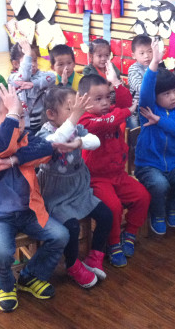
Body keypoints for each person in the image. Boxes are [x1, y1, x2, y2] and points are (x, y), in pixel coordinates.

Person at [0, 84, 68, 313]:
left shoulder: (26, 138)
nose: (19, 124)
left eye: (21, 117)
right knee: (0, 253)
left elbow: (47, 150)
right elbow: (2, 146)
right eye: (12, 117)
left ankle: (29, 277)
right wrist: (14, 114)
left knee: (60, 236)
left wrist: (14, 160)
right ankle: (7, 285)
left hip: (28, 212)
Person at [36, 87, 112, 287]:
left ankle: (94, 257)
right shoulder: (45, 133)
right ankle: (72, 265)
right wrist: (75, 118)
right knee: (71, 227)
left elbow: (95, 141)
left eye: (77, 109)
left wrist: (78, 142)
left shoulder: (76, 128)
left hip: (78, 188)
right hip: (55, 194)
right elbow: (55, 141)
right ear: (51, 114)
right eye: (70, 109)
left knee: (106, 215)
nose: (76, 113)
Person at [78, 70, 150, 267]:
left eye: (107, 97)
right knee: (114, 207)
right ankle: (113, 243)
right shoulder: (84, 121)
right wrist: (125, 112)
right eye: (98, 99)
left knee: (143, 196)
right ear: (83, 101)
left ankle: (130, 233)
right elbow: (104, 124)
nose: (105, 103)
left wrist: (116, 82)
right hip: (96, 179)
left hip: (118, 174)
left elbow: (125, 102)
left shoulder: (111, 113)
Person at [134, 40, 175, 235]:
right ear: (155, 97)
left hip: (174, 164)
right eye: (166, 93)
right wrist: (155, 61)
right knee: (159, 184)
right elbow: (146, 89)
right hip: (148, 166)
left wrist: (159, 121)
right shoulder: (148, 109)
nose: (173, 97)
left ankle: (173, 207)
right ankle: (158, 214)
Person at [8, 38, 56, 134]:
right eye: (29, 61)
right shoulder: (13, 78)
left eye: (34, 60)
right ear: (16, 64)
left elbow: (52, 77)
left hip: (41, 123)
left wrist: (34, 83)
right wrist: (27, 54)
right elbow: (24, 77)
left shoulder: (40, 75)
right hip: (23, 126)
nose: (33, 64)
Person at [126, 35, 153, 129]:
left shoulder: (155, 66)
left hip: (151, 107)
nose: (147, 56)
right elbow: (141, 88)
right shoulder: (133, 69)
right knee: (136, 131)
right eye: (142, 53)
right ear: (134, 55)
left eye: (150, 51)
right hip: (136, 108)